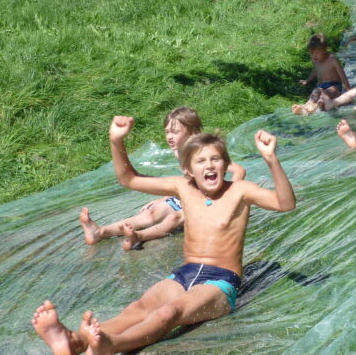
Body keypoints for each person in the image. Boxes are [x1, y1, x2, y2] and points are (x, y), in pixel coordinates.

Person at [32, 117, 296, 355]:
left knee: (168, 314)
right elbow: (129, 179)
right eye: (200, 161)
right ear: (188, 169)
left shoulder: (239, 191)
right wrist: (116, 140)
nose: (209, 165)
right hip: (186, 272)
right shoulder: (183, 188)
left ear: (225, 165)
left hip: (221, 282)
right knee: (138, 309)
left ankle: (108, 345)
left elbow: (285, 204)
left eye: (215, 159)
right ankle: (73, 342)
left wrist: (271, 160)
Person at [79, 107, 246, 251]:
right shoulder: (179, 151)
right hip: (189, 196)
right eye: (167, 132)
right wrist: (166, 197)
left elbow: (239, 169)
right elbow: (189, 179)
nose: (169, 137)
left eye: (175, 132)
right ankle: (100, 232)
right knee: (151, 213)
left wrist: (229, 197)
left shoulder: (203, 150)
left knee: (173, 218)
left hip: (207, 203)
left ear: (192, 131)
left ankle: (139, 236)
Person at [292, 34, 351, 115]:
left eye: (317, 52)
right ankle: (305, 106)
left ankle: (313, 107)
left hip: (334, 86)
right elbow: (316, 70)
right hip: (321, 86)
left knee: (324, 97)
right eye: (312, 53)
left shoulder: (332, 60)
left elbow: (342, 75)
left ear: (325, 50)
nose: (314, 55)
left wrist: (348, 91)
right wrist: (307, 81)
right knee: (314, 94)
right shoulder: (316, 60)